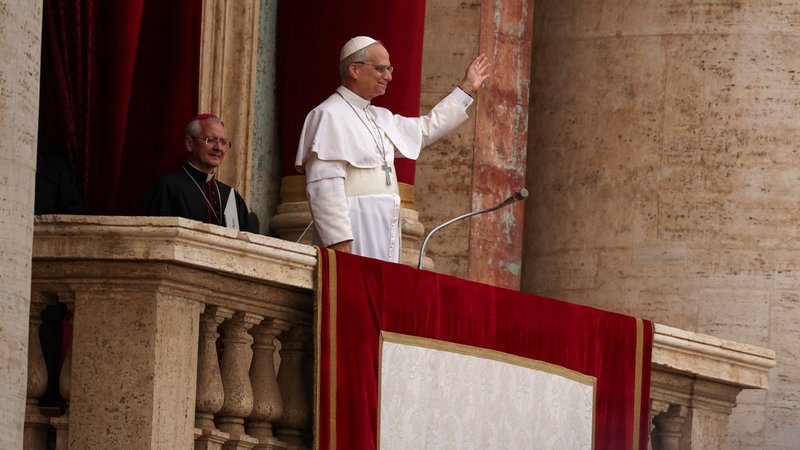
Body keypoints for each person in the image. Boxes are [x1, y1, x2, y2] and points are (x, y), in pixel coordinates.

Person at [295, 36, 490, 262]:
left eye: (389, 68)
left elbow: (425, 128)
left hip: (384, 233)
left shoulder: (380, 117)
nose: (388, 76)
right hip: (354, 233)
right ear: (354, 70)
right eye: (381, 69)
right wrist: (339, 245)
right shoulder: (328, 115)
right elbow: (324, 188)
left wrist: (465, 89)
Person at [142, 114, 250, 231]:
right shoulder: (167, 189)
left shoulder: (231, 197)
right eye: (210, 140)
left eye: (223, 142)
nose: (218, 148)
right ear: (189, 143)